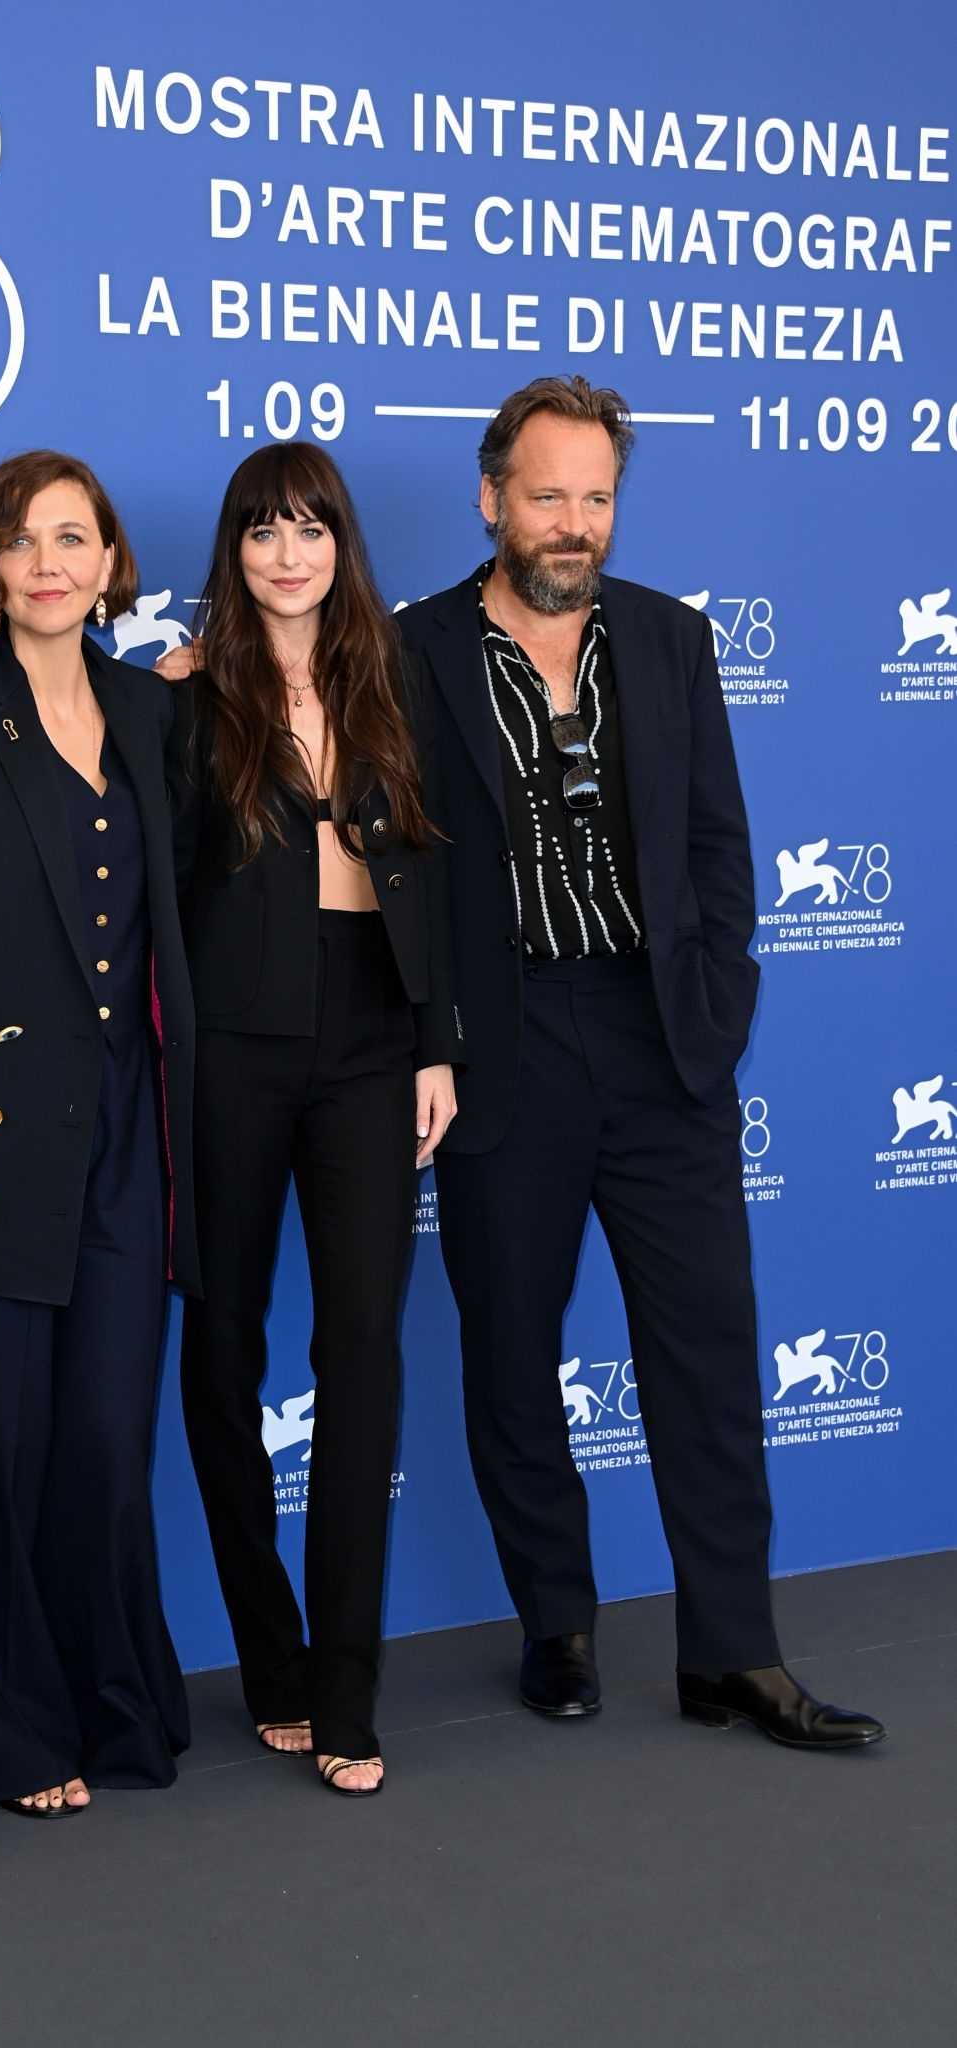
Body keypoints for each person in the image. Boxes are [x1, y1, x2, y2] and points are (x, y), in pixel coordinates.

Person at [396, 376, 883, 1750]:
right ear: (493, 499)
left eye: (595, 497)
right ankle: (556, 1624)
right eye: (546, 495)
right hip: (509, 1053)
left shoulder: (670, 640)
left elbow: (720, 841)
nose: (573, 523)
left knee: (712, 1357)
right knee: (510, 1355)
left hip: (663, 1044)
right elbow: (389, 860)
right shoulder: (414, 649)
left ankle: (733, 1651)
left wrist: (716, 1009)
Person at [0, 451, 199, 1819]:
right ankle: (8, 1736)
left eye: (73, 538)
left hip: (130, 1128)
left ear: (111, 559)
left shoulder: (156, 711)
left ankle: (113, 1705)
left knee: (103, 1439)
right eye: (20, 540)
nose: (48, 562)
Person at [160, 443, 460, 1798]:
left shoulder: (391, 680)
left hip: (371, 1044)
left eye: (312, 527)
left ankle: (346, 1690)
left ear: (343, 544)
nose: (290, 552)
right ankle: (267, 1654)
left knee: (366, 1360)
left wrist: (434, 1045)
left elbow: (439, 879)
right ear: (233, 548)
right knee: (222, 1356)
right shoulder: (183, 694)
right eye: (263, 529)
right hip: (230, 1047)